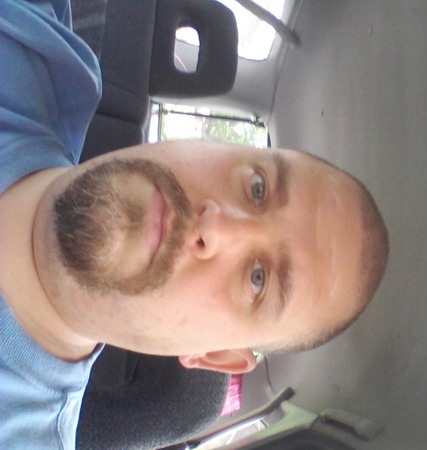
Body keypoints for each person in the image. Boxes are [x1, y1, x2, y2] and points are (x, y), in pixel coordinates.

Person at [0, 0, 389, 449]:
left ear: (215, 355)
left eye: (258, 279)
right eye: (257, 188)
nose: (216, 228)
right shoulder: (38, 41)